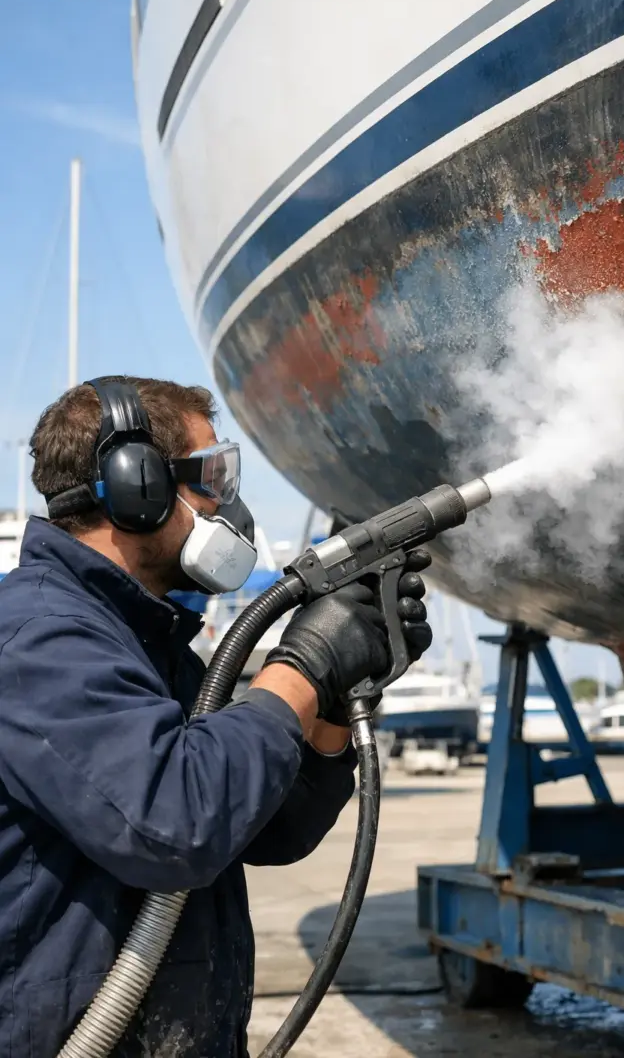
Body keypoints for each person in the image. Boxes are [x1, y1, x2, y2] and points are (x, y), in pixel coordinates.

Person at [0, 376, 432, 1058]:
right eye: (211, 477)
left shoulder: (147, 642)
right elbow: (174, 824)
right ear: (138, 485)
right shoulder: (37, 638)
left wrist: (337, 690)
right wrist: (303, 664)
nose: (228, 504)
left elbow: (267, 827)